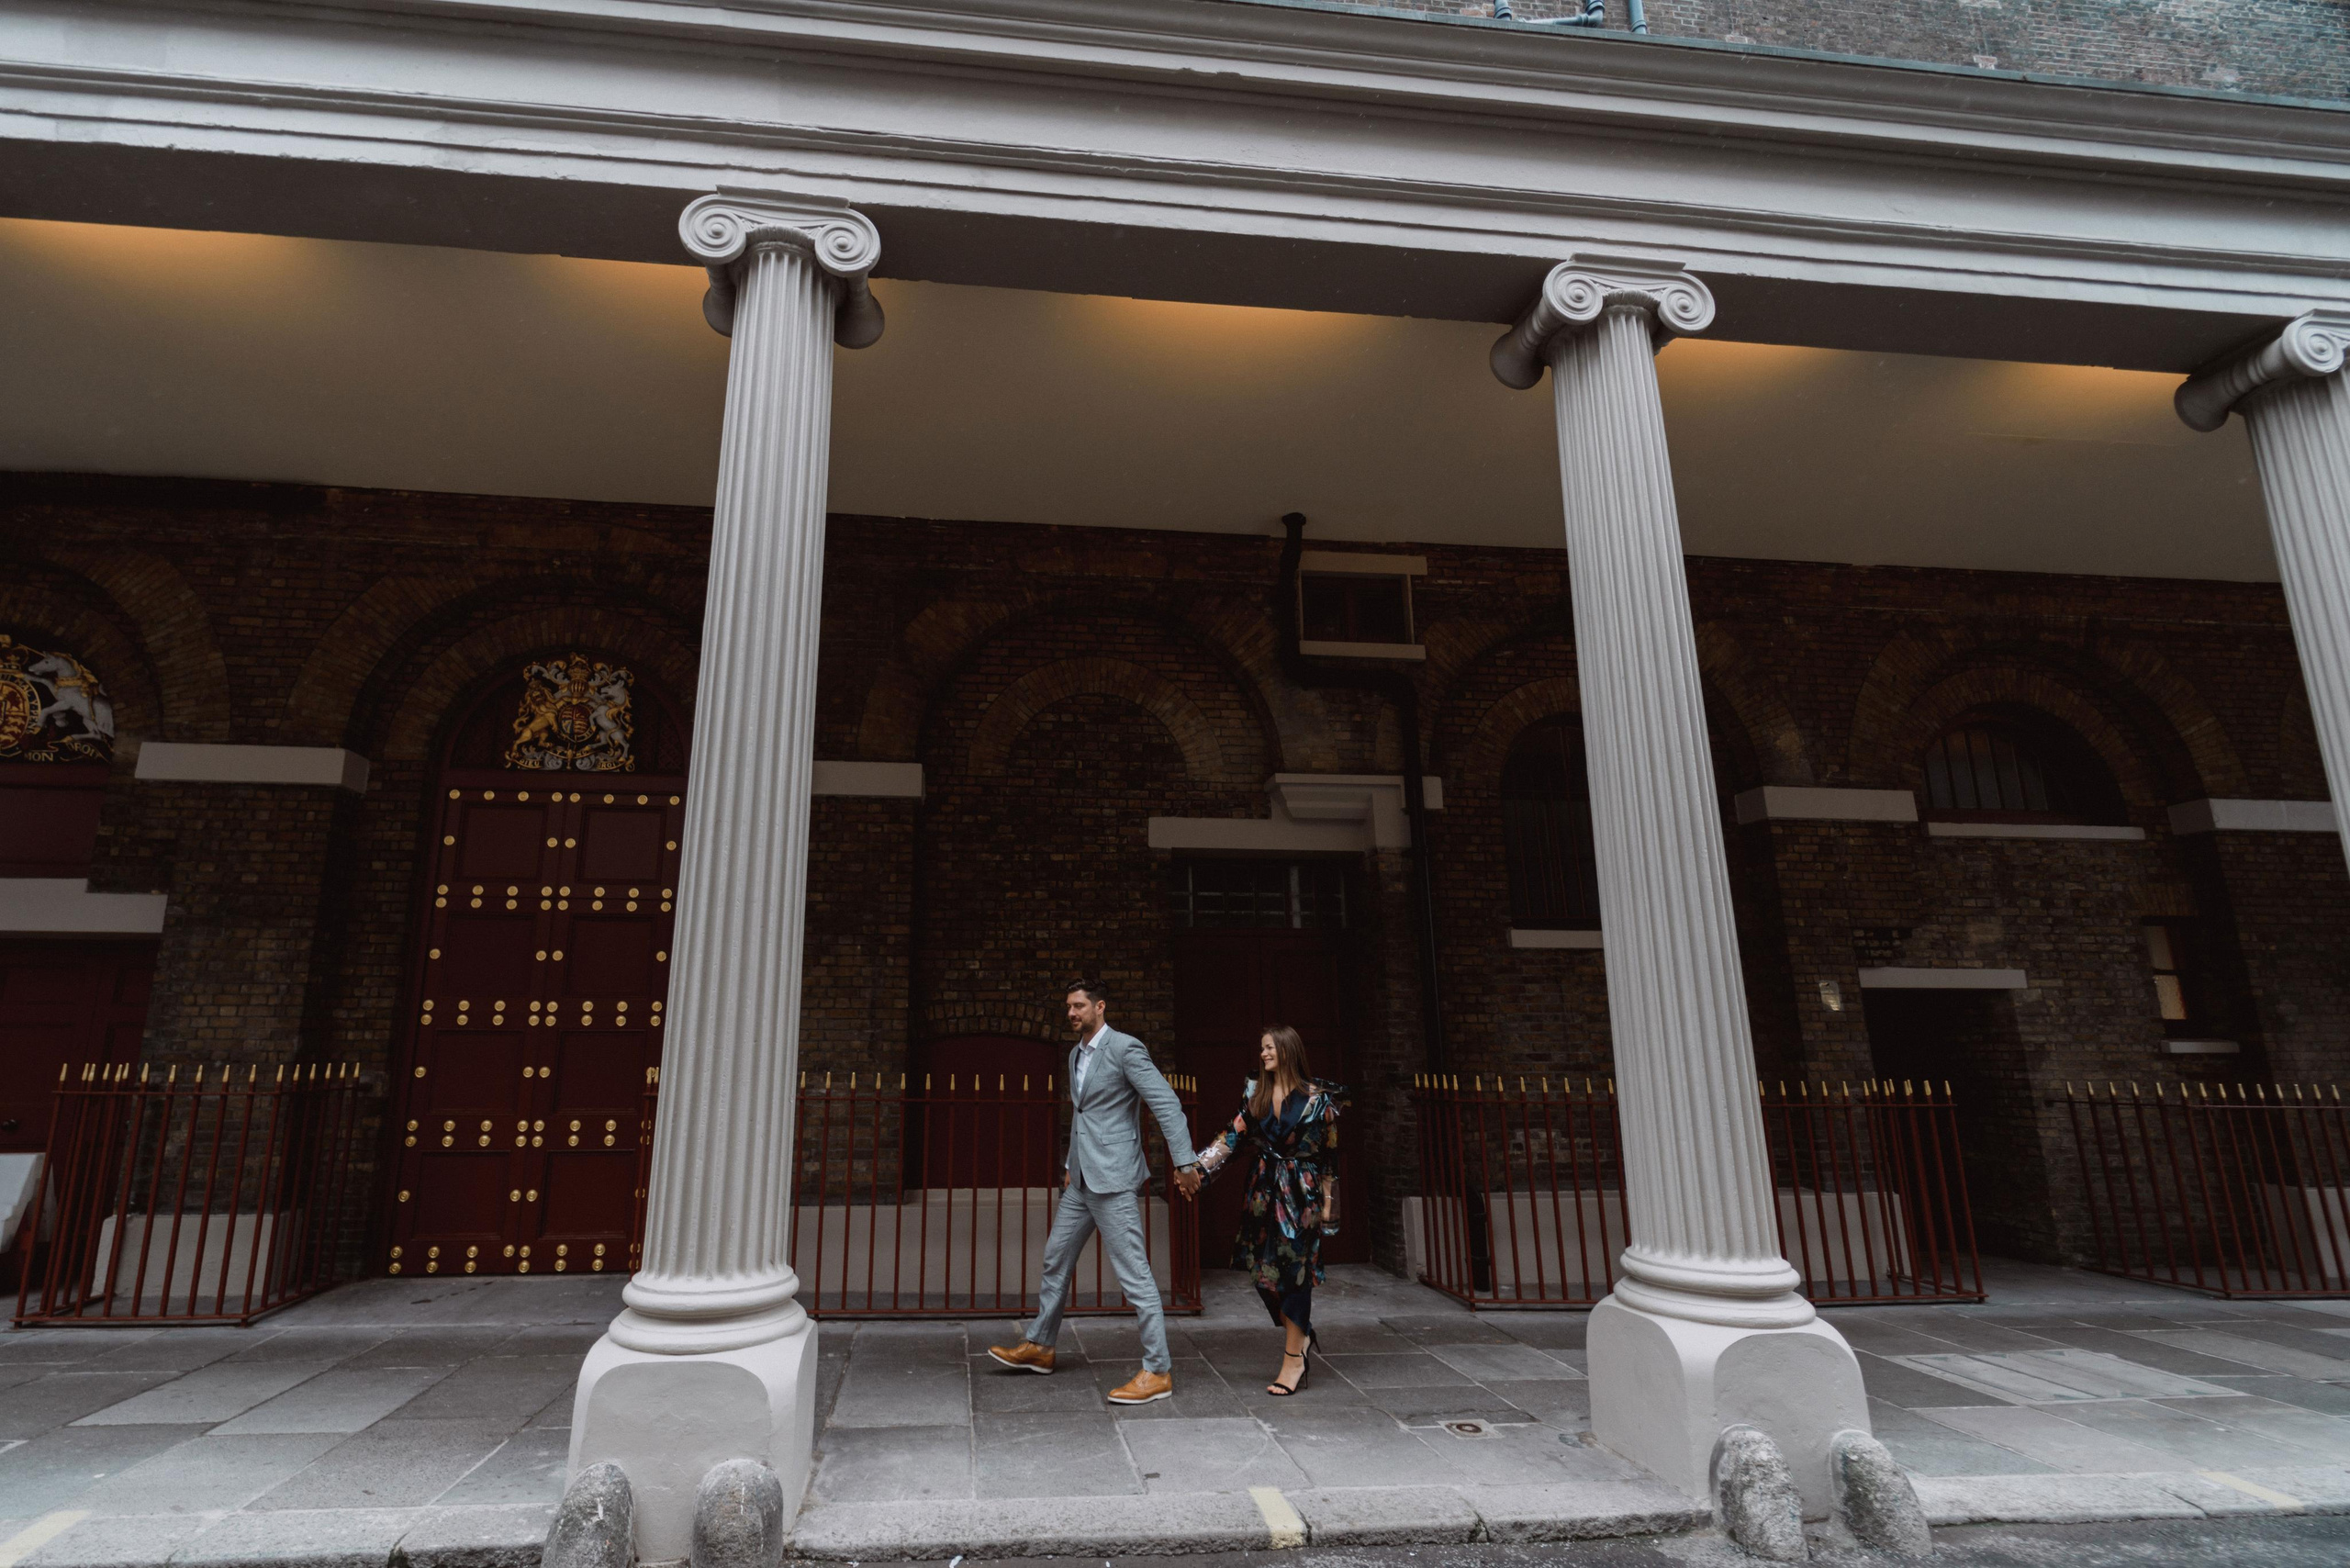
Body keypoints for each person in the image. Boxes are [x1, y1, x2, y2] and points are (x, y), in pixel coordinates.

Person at [988, 980, 1204, 1405]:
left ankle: (1158, 1371)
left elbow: (1165, 1103)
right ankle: (1041, 1346)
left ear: (1100, 1007)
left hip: (1116, 1180)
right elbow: (1084, 1116)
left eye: (1079, 1006)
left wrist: (1185, 1163)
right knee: (1056, 1258)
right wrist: (1071, 1164)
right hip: (1082, 1179)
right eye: (1068, 1006)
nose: (1072, 1013)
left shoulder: (1126, 1049)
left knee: (1135, 1275)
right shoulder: (1074, 1054)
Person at [1195, 1025, 1346, 1395]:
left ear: (1288, 1050)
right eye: (1261, 1048)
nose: (1263, 1054)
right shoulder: (1255, 1092)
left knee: (1296, 1272)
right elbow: (1232, 1135)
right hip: (1263, 1191)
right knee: (1262, 1270)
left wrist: (1328, 1203)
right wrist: (1197, 1167)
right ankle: (1301, 1332)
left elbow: (1329, 1157)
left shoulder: (1319, 1100)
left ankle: (1294, 1358)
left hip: (1303, 1193)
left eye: (1269, 1048)